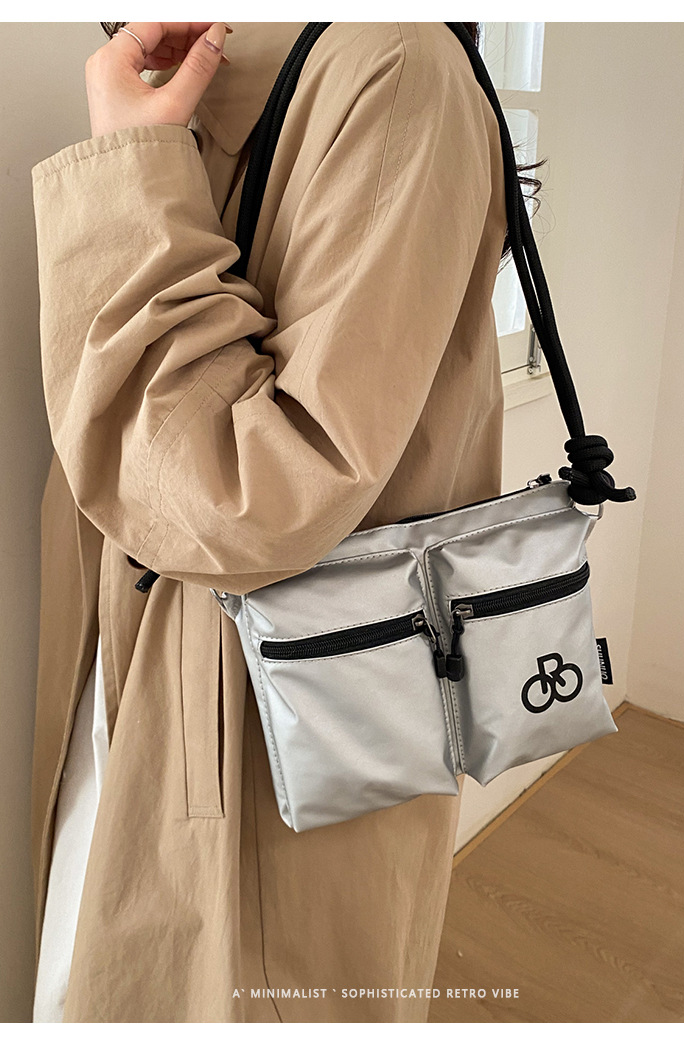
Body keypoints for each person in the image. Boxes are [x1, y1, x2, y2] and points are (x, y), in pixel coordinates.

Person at [30, 21, 510, 1022]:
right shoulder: (219, 85)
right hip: (158, 669)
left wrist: (132, 178)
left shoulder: (394, 68)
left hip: (274, 713)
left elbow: (253, 494)